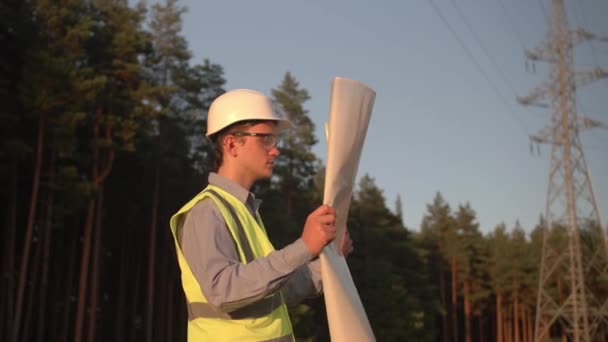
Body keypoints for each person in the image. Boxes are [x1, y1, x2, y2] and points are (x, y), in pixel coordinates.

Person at [169, 88, 353, 341]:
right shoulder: (206, 212)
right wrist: (304, 247)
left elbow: (279, 290)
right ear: (232, 144)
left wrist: (330, 262)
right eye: (265, 139)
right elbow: (223, 290)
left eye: (274, 140)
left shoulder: (244, 212)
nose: (275, 150)